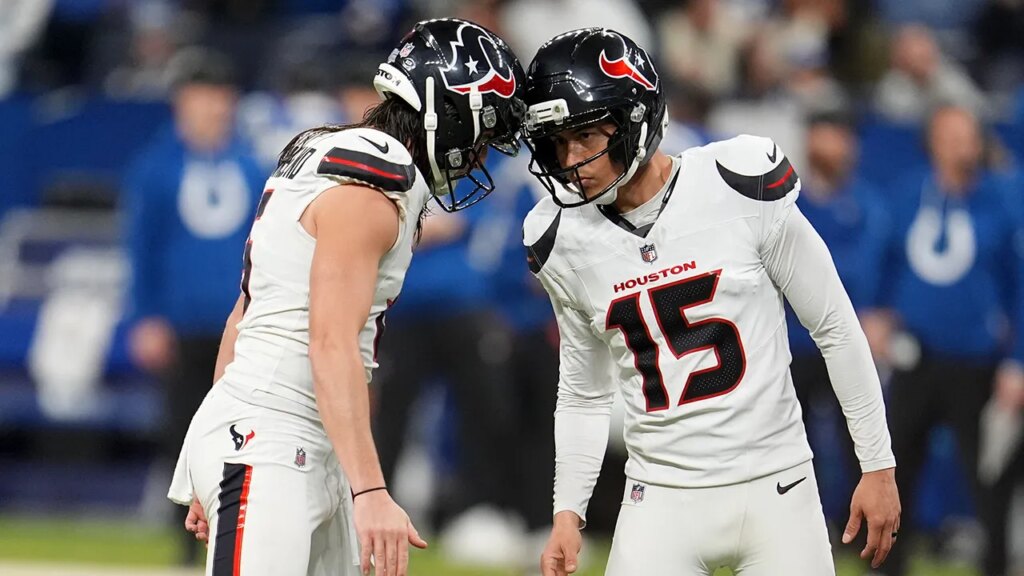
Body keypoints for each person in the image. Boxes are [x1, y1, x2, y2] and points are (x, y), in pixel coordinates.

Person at [519, 28, 901, 576]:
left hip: (777, 487)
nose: (571, 159)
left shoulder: (737, 181)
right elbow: (584, 392)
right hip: (659, 497)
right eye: (557, 143)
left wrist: (878, 463)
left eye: (583, 135)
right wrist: (567, 512)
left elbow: (835, 327)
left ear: (636, 119)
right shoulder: (561, 238)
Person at [165, 18, 526, 576]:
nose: (479, 157)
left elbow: (245, 315)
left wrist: (218, 447)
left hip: (281, 432)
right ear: (446, 113)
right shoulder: (375, 181)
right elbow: (330, 341)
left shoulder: (322, 146)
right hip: (274, 435)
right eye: (480, 135)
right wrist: (372, 490)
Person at [122, 46, 265, 564]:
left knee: (240, 428)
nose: (211, 105)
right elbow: (141, 248)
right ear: (181, 102)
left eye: (218, 95)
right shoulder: (156, 168)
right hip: (181, 320)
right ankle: (184, 537)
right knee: (181, 428)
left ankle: (238, 530)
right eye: (201, 95)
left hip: (240, 322)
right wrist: (145, 317)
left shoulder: (251, 166)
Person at [873, 105, 1024, 576]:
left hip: (978, 362)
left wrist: (1017, 361)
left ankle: (996, 565)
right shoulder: (907, 197)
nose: (962, 144)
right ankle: (887, 564)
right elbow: (885, 265)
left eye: (968, 135)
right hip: (915, 359)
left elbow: (1019, 285)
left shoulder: (1001, 200)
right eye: (951, 135)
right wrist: (875, 317)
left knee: (988, 479)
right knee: (894, 469)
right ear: (932, 142)